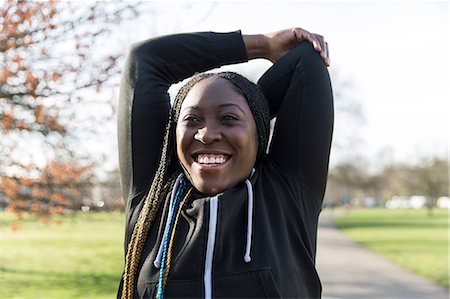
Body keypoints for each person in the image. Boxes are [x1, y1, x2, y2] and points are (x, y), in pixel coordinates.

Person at [117, 27, 333, 299]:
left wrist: (253, 109)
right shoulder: (152, 198)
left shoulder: (286, 194)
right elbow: (144, 60)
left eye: (229, 118)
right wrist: (262, 45)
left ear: (258, 133)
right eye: (192, 119)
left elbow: (306, 61)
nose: (206, 134)